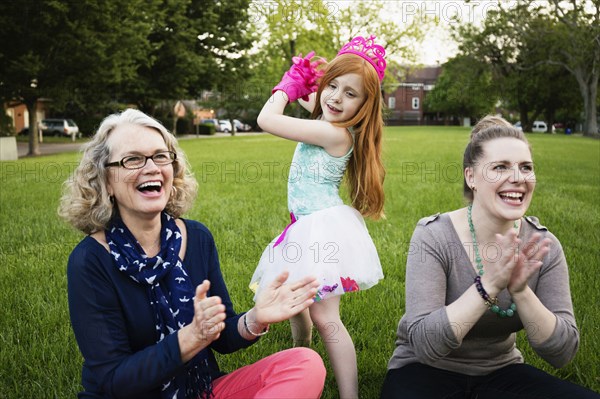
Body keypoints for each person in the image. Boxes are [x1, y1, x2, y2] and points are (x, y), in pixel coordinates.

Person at [59, 108, 326, 399]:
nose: (151, 167)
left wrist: (255, 318)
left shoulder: (196, 237)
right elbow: (114, 381)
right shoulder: (90, 260)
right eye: (132, 159)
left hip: (200, 390)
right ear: (106, 180)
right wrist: (190, 338)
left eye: (160, 156)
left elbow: (222, 337)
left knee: (304, 363)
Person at [381, 115, 599, 398]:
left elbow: (562, 352)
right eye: (500, 167)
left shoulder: (544, 246)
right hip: (424, 370)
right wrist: (489, 285)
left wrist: (521, 292)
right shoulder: (433, 236)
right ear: (471, 177)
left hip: (501, 372)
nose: (518, 178)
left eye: (526, 167)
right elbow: (425, 343)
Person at [248, 35, 387, 399]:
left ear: (365, 104)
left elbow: (267, 118)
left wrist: (285, 86)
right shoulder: (330, 119)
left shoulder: (332, 133)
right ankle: (302, 356)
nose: (336, 98)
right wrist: (310, 83)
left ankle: (350, 394)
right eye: (333, 86)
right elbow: (317, 99)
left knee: (327, 317)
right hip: (305, 226)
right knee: (297, 303)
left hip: (321, 229)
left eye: (350, 94)